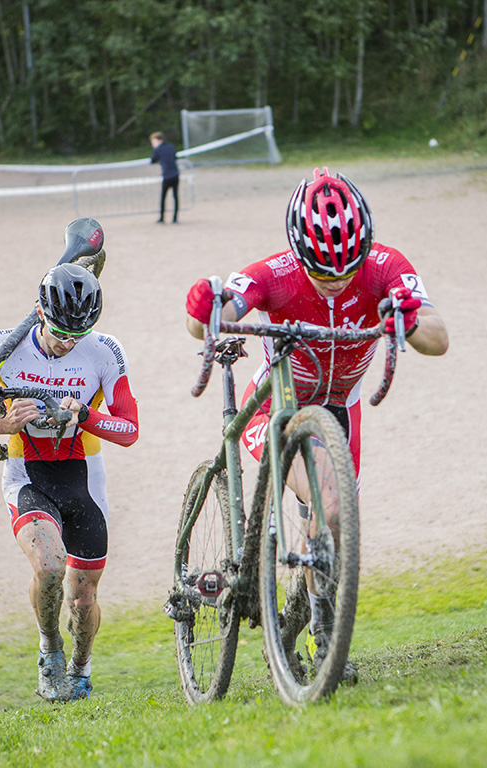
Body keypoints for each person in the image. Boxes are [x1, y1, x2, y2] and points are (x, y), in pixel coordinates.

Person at [184, 166, 448, 682]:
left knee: (331, 527)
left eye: (348, 270)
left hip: (340, 410)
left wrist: (409, 318)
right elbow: (209, 318)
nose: (337, 281)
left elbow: (438, 338)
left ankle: (304, 627)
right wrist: (201, 308)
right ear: (298, 252)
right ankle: (327, 646)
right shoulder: (273, 273)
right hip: (277, 406)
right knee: (328, 505)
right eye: (323, 273)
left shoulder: (387, 267)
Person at [0, 263, 139, 702]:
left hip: (84, 479)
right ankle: (49, 650)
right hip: (27, 475)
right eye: (59, 332)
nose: (67, 343)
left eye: (78, 334)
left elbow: (130, 429)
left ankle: (81, 668)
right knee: (49, 567)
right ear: (39, 313)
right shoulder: (1, 346)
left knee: (83, 599)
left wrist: (86, 414)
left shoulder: (104, 351)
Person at [149, 131, 180, 224]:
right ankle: (175, 218)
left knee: (163, 197)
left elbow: (153, 160)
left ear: (159, 140)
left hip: (167, 175)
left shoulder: (158, 149)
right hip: (175, 174)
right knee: (175, 197)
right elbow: (175, 157)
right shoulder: (171, 146)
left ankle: (162, 218)